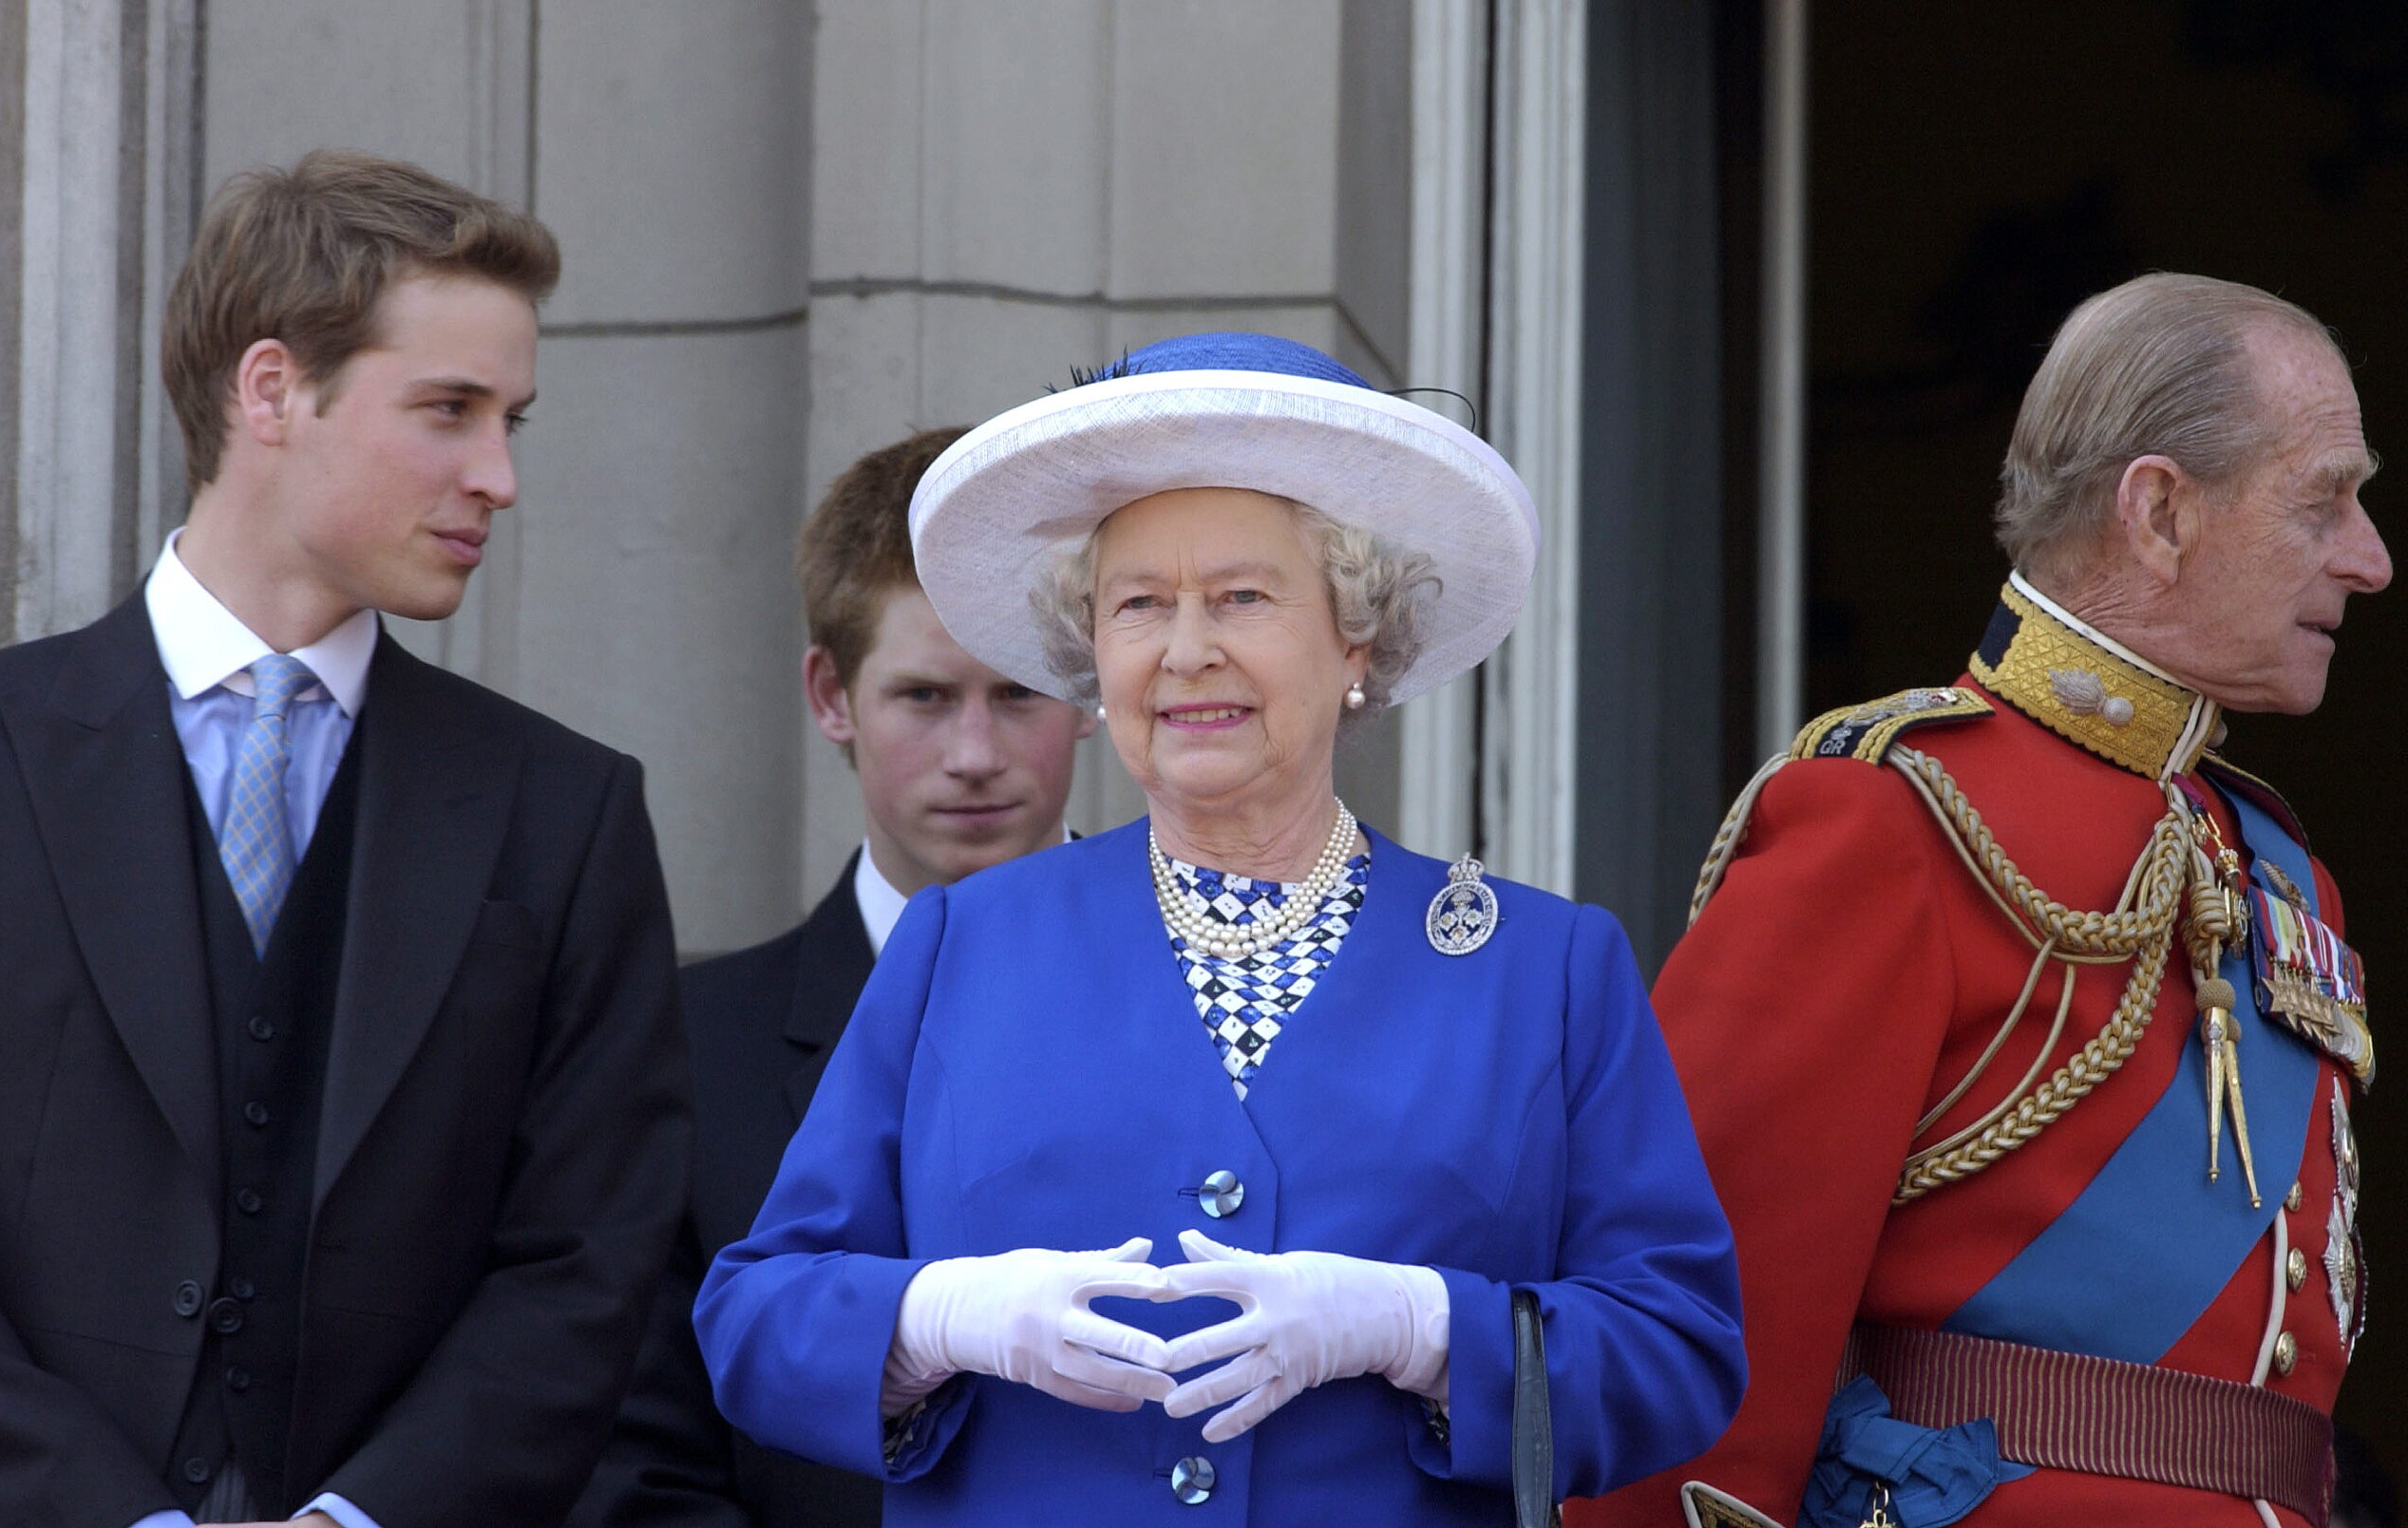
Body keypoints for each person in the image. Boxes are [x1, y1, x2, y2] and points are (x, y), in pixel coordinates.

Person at [693, 332, 1745, 1526]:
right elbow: (754, 1317)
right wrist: (936, 1319)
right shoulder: (956, 947)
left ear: (1357, 634)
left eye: (1242, 596)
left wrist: (1426, 1329)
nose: (1187, 650)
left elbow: (1681, 1349)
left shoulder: (1543, 969)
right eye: (1140, 604)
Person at [1578, 274, 2386, 1528]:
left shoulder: (2277, 865)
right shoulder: (1891, 817)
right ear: (2160, 513)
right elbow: (1693, 1335)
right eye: (2324, 499)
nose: (2369, 558)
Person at [0, 150, 689, 1527]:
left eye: (511, 423)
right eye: (447, 410)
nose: (498, 477)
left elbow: (593, 1256)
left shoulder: (565, 811)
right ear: (270, 390)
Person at [568, 426, 1093, 1527]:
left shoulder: (1217, 1005)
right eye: (923, 696)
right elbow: (631, 1466)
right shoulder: (683, 1044)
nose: (973, 752)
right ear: (830, 695)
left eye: (1016, 695)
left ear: (1088, 695)